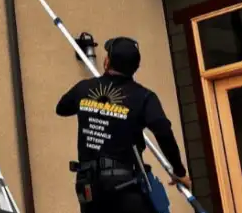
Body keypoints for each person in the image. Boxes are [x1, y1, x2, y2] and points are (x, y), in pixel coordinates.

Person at [56, 36, 192, 213]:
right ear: (135, 67)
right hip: (123, 184)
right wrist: (179, 172)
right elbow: (163, 131)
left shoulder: (84, 89)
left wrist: (94, 106)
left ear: (107, 61)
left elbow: (62, 108)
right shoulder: (143, 97)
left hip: (89, 185)